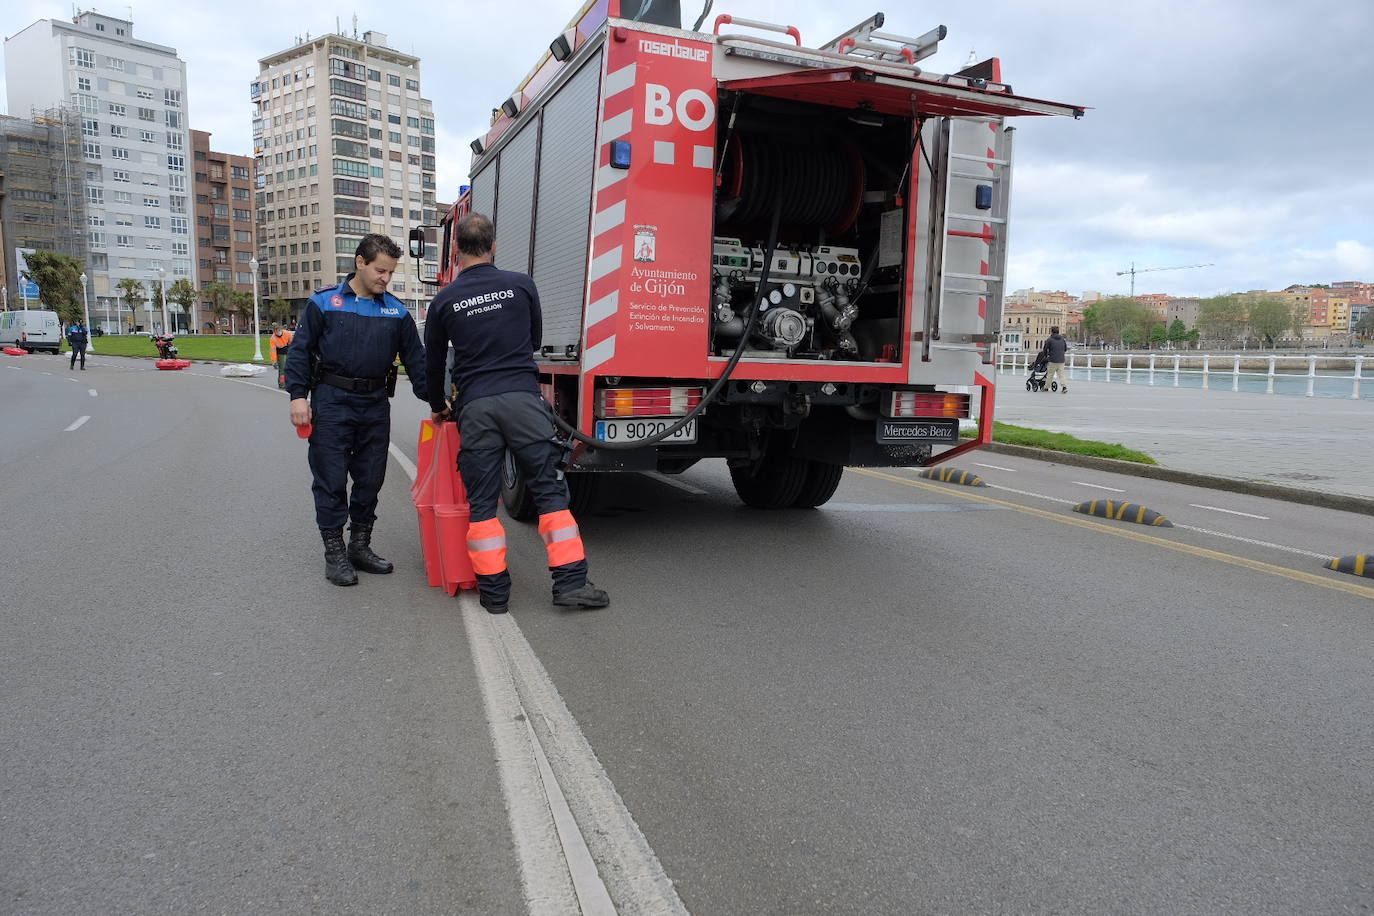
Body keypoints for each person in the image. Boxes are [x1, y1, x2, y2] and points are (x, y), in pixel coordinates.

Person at [423, 213, 608, 615]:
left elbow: (433, 366)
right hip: (523, 400)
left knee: (483, 502)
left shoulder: (443, 301)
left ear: (455, 251)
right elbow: (534, 340)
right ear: (493, 246)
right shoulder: (521, 285)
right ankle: (571, 584)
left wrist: (439, 407)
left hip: (475, 408)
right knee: (549, 491)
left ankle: (494, 593)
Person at [284, 234, 429, 586]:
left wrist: (438, 403)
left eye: (391, 273)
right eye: (381, 270)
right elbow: (300, 351)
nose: (386, 278)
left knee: (370, 478)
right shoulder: (324, 303)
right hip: (331, 401)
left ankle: (359, 547)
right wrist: (297, 396)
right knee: (331, 478)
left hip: (374, 404)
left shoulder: (396, 311)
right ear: (360, 263)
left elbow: (417, 363)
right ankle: (334, 552)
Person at [1042, 325, 1069, 393]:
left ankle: (1046, 387)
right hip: (1061, 360)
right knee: (1061, 374)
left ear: (1051, 331)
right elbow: (1065, 349)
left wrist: (1046, 356)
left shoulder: (1049, 340)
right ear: (1058, 331)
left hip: (1052, 360)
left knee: (1050, 374)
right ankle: (1064, 387)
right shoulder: (1062, 339)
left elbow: (1045, 349)